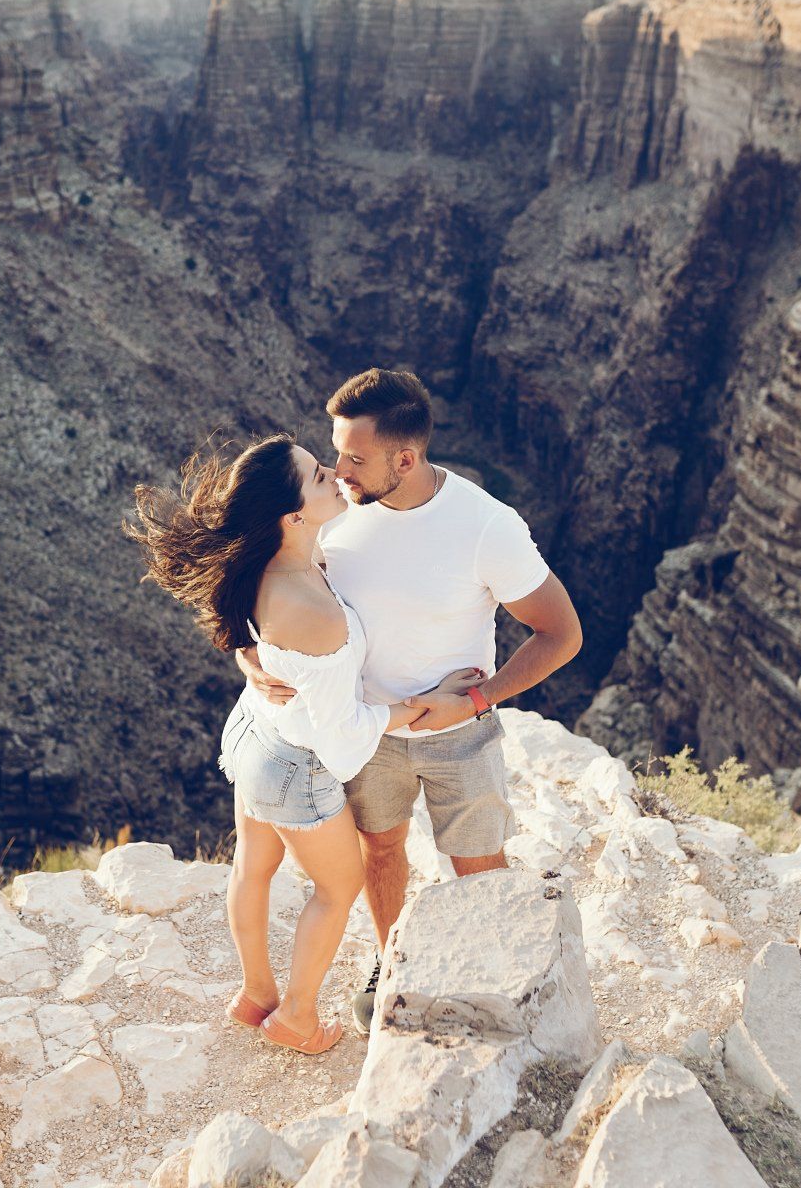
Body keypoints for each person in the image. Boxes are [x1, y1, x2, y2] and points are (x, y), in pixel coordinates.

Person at [238, 368, 582, 1033]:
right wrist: (249, 655)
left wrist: (477, 700)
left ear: (406, 458)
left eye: (355, 458)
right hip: (367, 734)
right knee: (381, 851)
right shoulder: (331, 517)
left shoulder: (487, 526)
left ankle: (488, 976)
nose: (338, 471)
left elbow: (561, 633)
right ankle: (394, 959)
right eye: (334, 452)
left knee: (478, 866)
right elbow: (257, 584)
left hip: (459, 733)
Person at [126, 434, 481, 1055]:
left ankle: (255, 993)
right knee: (339, 889)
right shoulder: (319, 613)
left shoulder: (267, 563)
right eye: (320, 476)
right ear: (292, 516)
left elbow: (257, 643)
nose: (337, 475)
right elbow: (341, 735)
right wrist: (431, 703)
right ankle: (296, 1017)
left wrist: (249, 659)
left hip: (254, 735)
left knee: (252, 867)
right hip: (295, 765)